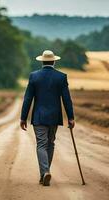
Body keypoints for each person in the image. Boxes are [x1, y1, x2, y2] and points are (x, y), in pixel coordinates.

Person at [20, 50, 75, 186]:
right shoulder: (61, 77)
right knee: (50, 143)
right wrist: (71, 117)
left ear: (42, 61)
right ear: (54, 61)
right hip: (54, 116)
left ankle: (45, 172)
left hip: (39, 117)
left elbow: (28, 99)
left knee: (41, 144)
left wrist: (23, 118)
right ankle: (45, 172)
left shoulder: (34, 76)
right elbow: (67, 99)